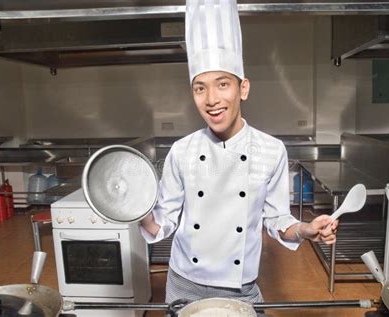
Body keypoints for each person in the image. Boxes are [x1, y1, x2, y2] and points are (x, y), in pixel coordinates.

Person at [139, 0, 338, 306]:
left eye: (222, 84)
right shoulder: (182, 151)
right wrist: (136, 209)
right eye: (200, 88)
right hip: (183, 284)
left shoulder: (271, 151)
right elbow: (161, 224)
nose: (212, 99)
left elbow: (277, 221)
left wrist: (305, 230)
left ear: (243, 88)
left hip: (241, 287)